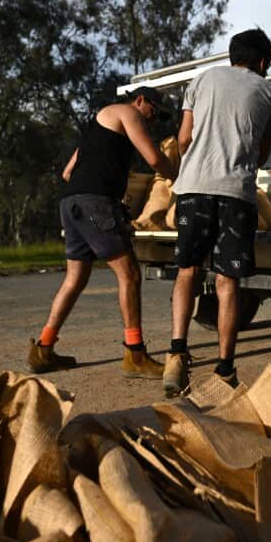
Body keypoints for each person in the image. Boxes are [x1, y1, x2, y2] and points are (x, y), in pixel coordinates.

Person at [164, 29, 271, 398]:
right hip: (236, 194)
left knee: (187, 271)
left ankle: (176, 354)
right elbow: (261, 155)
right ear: (262, 62)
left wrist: (197, 162)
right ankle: (225, 371)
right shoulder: (269, 93)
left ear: (234, 55)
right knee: (226, 283)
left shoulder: (202, 80)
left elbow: (183, 139)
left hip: (193, 189)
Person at [27, 87, 178, 379]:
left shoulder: (98, 126)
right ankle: (135, 354)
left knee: (75, 278)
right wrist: (180, 176)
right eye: (155, 112)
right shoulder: (127, 112)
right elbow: (155, 159)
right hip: (94, 203)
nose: (153, 120)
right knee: (130, 274)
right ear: (140, 101)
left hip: (71, 203)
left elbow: (68, 172)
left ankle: (43, 349)